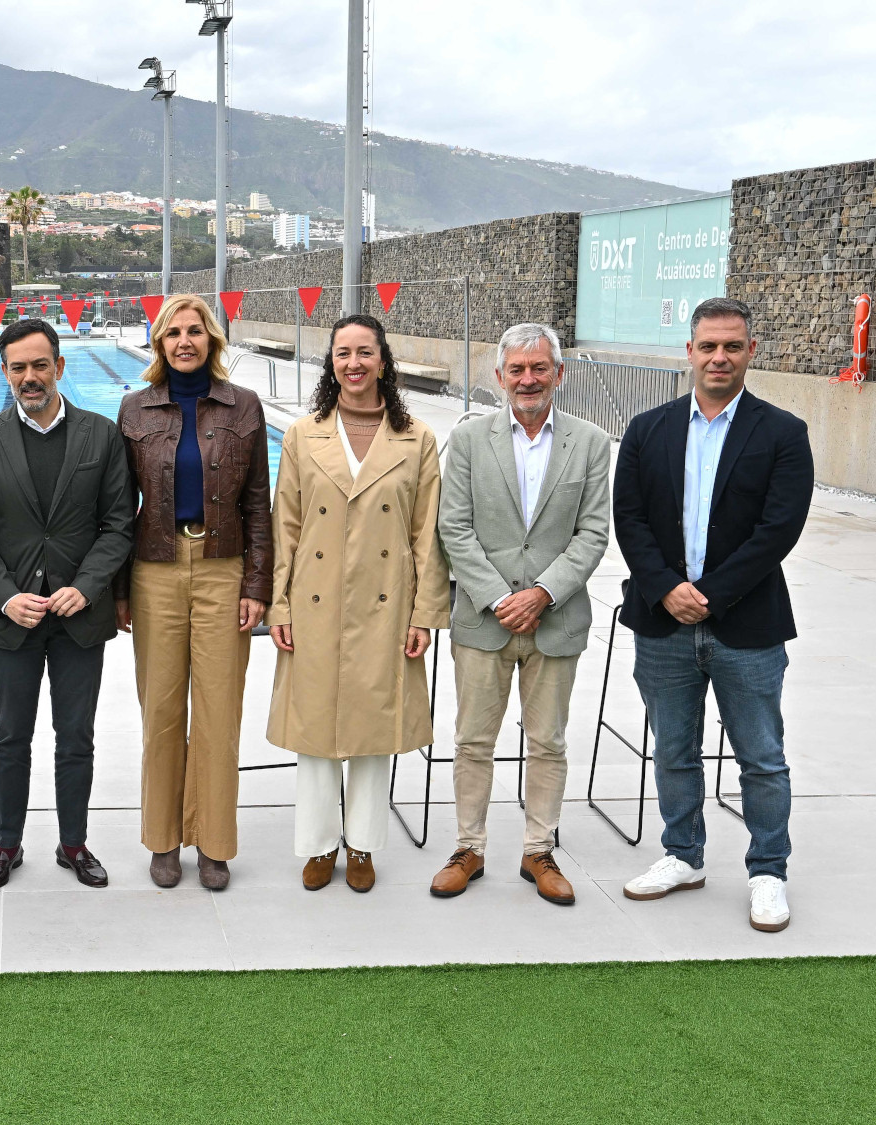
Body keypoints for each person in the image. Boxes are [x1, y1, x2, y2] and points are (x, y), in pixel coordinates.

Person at [614, 297, 812, 933]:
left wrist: (709, 595)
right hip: (663, 623)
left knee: (761, 756)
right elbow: (630, 519)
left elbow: (778, 529)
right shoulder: (647, 429)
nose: (719, 357)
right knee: (673, 749)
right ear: (690, 352)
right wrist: (667, 589)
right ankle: (682, 855)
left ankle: (768, 871)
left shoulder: (783, 433)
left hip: (746, 626)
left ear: (751, 351)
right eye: (708, 346)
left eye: (732, 346)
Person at [265, 313, 447, 893]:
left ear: (383, 362)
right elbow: (285, 525)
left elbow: (427, 534)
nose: (354, 363)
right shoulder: (303, 434)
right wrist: (278, 606)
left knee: (373, 727)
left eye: (365, 352)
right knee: (316, 729)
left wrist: (425, 614)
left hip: (385, 605)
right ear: (332, 363)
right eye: (343, 353)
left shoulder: (417, 439)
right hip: (314, 602)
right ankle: (320, 845)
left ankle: (363, 844)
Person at [431, 323, 611, 905]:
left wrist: (543, 593)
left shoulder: (590, 442)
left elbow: (592, 533)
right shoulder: (468, 439)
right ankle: (468, 848)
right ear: (500, 376)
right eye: (517, 369)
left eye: (539, 368)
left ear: (559, 373)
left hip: (555, 620)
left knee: (548, 742)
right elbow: (453, 527)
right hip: (483, 620)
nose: (528, 379)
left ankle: (539, 850)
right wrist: (498, 596)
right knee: (472, 740)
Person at [0, 318, 135, 889]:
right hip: (12, 620)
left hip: (80, 617)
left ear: (59, 366)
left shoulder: (100, 435)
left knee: (76, 738)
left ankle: (73, 843)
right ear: (4, 372)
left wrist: (87, 586)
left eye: (39, 365)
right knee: (11, 737)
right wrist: (5, 597)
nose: (29, 377)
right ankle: (6, 844)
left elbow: (118, 524)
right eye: (18, 368)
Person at [115, 293, 272, 891]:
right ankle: (161, 838)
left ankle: (213, 843)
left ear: (212, 340)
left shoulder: (243, 405)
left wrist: (257, 584)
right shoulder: (135, 408)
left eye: (196, 331)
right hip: (153, 569)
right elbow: (118, 508)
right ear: (159, 342)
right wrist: (120, 591)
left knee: (218, 713)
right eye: (174, 332)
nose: (185, 341)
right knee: (159, 710)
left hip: (222, 566)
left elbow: (257, 502)